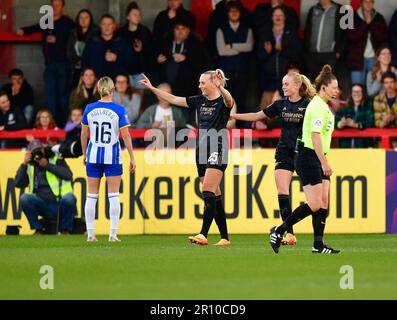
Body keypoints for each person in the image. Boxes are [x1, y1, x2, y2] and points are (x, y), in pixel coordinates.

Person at [139, 69, 234, 246]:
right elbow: (174, 99)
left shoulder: (223, 101)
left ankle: (203, 234)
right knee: (215, 194)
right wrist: (152, 88)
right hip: (201, 150)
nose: (199, 85)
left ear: (214, 83)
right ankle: (225, 237)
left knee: (207, 190)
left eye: (202, 82)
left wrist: (221, 88)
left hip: (218, 148)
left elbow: (230, 100)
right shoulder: (199, 101)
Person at [231, 71, 316, 245]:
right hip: (284, 151)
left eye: (286, 84)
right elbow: (256, 116)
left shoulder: (309, 105)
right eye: (283, 84)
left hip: (302, 153)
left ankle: (297, 232)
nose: (283, 87)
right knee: (282, 192)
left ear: (297, 86)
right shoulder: (280, 105)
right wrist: (233, 116)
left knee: (314, 201)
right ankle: (290, 234)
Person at [269, 65, 341, 254]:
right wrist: (324, 162)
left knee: (323, 202)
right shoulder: (317, 105)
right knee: (316, 203)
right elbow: (315, 135)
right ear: (324, 88)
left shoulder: (321, 105)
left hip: (317, 156)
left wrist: (323, 159)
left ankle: (318, 245)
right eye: (334, 87)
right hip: (309, 156)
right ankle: (279, 230)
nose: (337, 90)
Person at [81, 76, 136, 242]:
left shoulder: (89, 108)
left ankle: (91, 234)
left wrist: (84, 154)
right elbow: (126, 136)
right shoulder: (119, 110)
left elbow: (84, 134)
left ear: (98, 89)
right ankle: (113, 234)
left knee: (91, 196)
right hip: (112, 156)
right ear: (113, 90)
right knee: (113, 196)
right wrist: (132, 158)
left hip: (93, 155)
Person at [17, 0, 75, 127]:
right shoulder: (46, 21)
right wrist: (23, 31)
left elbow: (75, 39)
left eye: (58, 5)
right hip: (49, 66)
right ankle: (54, 127)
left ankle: (64, 126)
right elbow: (35, 27)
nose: (55, 8)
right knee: (51, 97)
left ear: (62, 7)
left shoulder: (68, 23)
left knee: (63, 98)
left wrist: (58, 40)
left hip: (63, 66)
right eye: (53, 5)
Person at [14, 139, 77, 234]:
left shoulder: (55, 159)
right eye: (35, 151)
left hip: (59, 202)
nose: (38, 154)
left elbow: (68, 175)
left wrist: (47, 165)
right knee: (24, 198)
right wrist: (24, 164)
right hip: (42, 205)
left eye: (40, 150)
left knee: (70, 198)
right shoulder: (30, 165)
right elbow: (18, 183)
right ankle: (38, 229)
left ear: (44, 149)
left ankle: (65, 230)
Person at [257, 6, 301, 108]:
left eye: (280, 15)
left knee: (285, 106)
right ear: (272, 18)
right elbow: (259, 56)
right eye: (276, 15)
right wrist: (267, 52)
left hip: (286, 77)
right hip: (268, 78)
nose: (278, 17)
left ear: (284, 17)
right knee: (267, 108)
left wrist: (282, 49)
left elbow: (297, 54)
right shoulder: (264, 33)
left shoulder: (291, 33)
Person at [216, 1, 253, 121]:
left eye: (236, 11)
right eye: (231, 11)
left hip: (243, 72)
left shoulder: (247, 29)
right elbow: (221, 51)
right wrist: (239, 48)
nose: (234, 13)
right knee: (226, 102)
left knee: (241, 102)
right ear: (227, 13)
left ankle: (240, 132)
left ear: (240, 13)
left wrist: (231, 46)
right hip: (226, 73)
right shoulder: (221, 29)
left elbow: (249, 47)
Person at [346, 0, 388, 85]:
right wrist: (366, 24)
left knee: (376, 85)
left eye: (370, 2)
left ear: (373, 3)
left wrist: (371, 24)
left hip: (374, 58)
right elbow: (351, 37)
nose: (368, 4)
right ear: (361, 3)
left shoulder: (379, 17)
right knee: (357, 86)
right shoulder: (352, 17)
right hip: (357, 59)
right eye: (366, 2)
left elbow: (384, 36)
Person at [304, 0, 346, 81]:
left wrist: (339, 52)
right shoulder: (313, 9)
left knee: (328, 83)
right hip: (313, 55)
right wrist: (307, 52)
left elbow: (345, 33)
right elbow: (307, 31)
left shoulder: (342, 9)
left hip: (330, 55)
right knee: (314, 83)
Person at [82, 14, 134, 80]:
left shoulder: (121, 42)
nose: (107, 27)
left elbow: (131, 61)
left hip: (117, 84)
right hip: (97, 82)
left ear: (114, 26)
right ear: (100, 25)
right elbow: (85, 61)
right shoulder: (92, 42)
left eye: (109, 24)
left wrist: (117, 58)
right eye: (104, 24)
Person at [117, 2, 154, 87]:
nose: (138, 17)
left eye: (139, 15)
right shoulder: (120, 33)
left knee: (140, 97)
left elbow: (151, 51)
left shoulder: (145, 32)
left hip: (141, 71)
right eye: (134, 14)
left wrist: (141, 50)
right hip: (124, 71)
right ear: (128, 17)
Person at [336, 83, 374, 148]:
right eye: (354, 91)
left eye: (359, 91)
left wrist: (355, 125)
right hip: (345, 147)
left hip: (363, 146)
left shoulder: (368, 107)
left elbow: (371, 123)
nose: (356, 94)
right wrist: (341, 124)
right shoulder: (344, 109)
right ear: (351, 93)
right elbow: (334, 123)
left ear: (363, 93)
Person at [67, 9, 99, 87]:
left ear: (90, 19)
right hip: (75, 69)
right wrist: (76, 61)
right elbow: (69, 51)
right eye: (81, 18)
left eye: (86, 17)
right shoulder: (73, 33)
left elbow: (96, 52)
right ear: (78, 19)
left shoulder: (96, 33)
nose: (83, 20)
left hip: (91, 70)